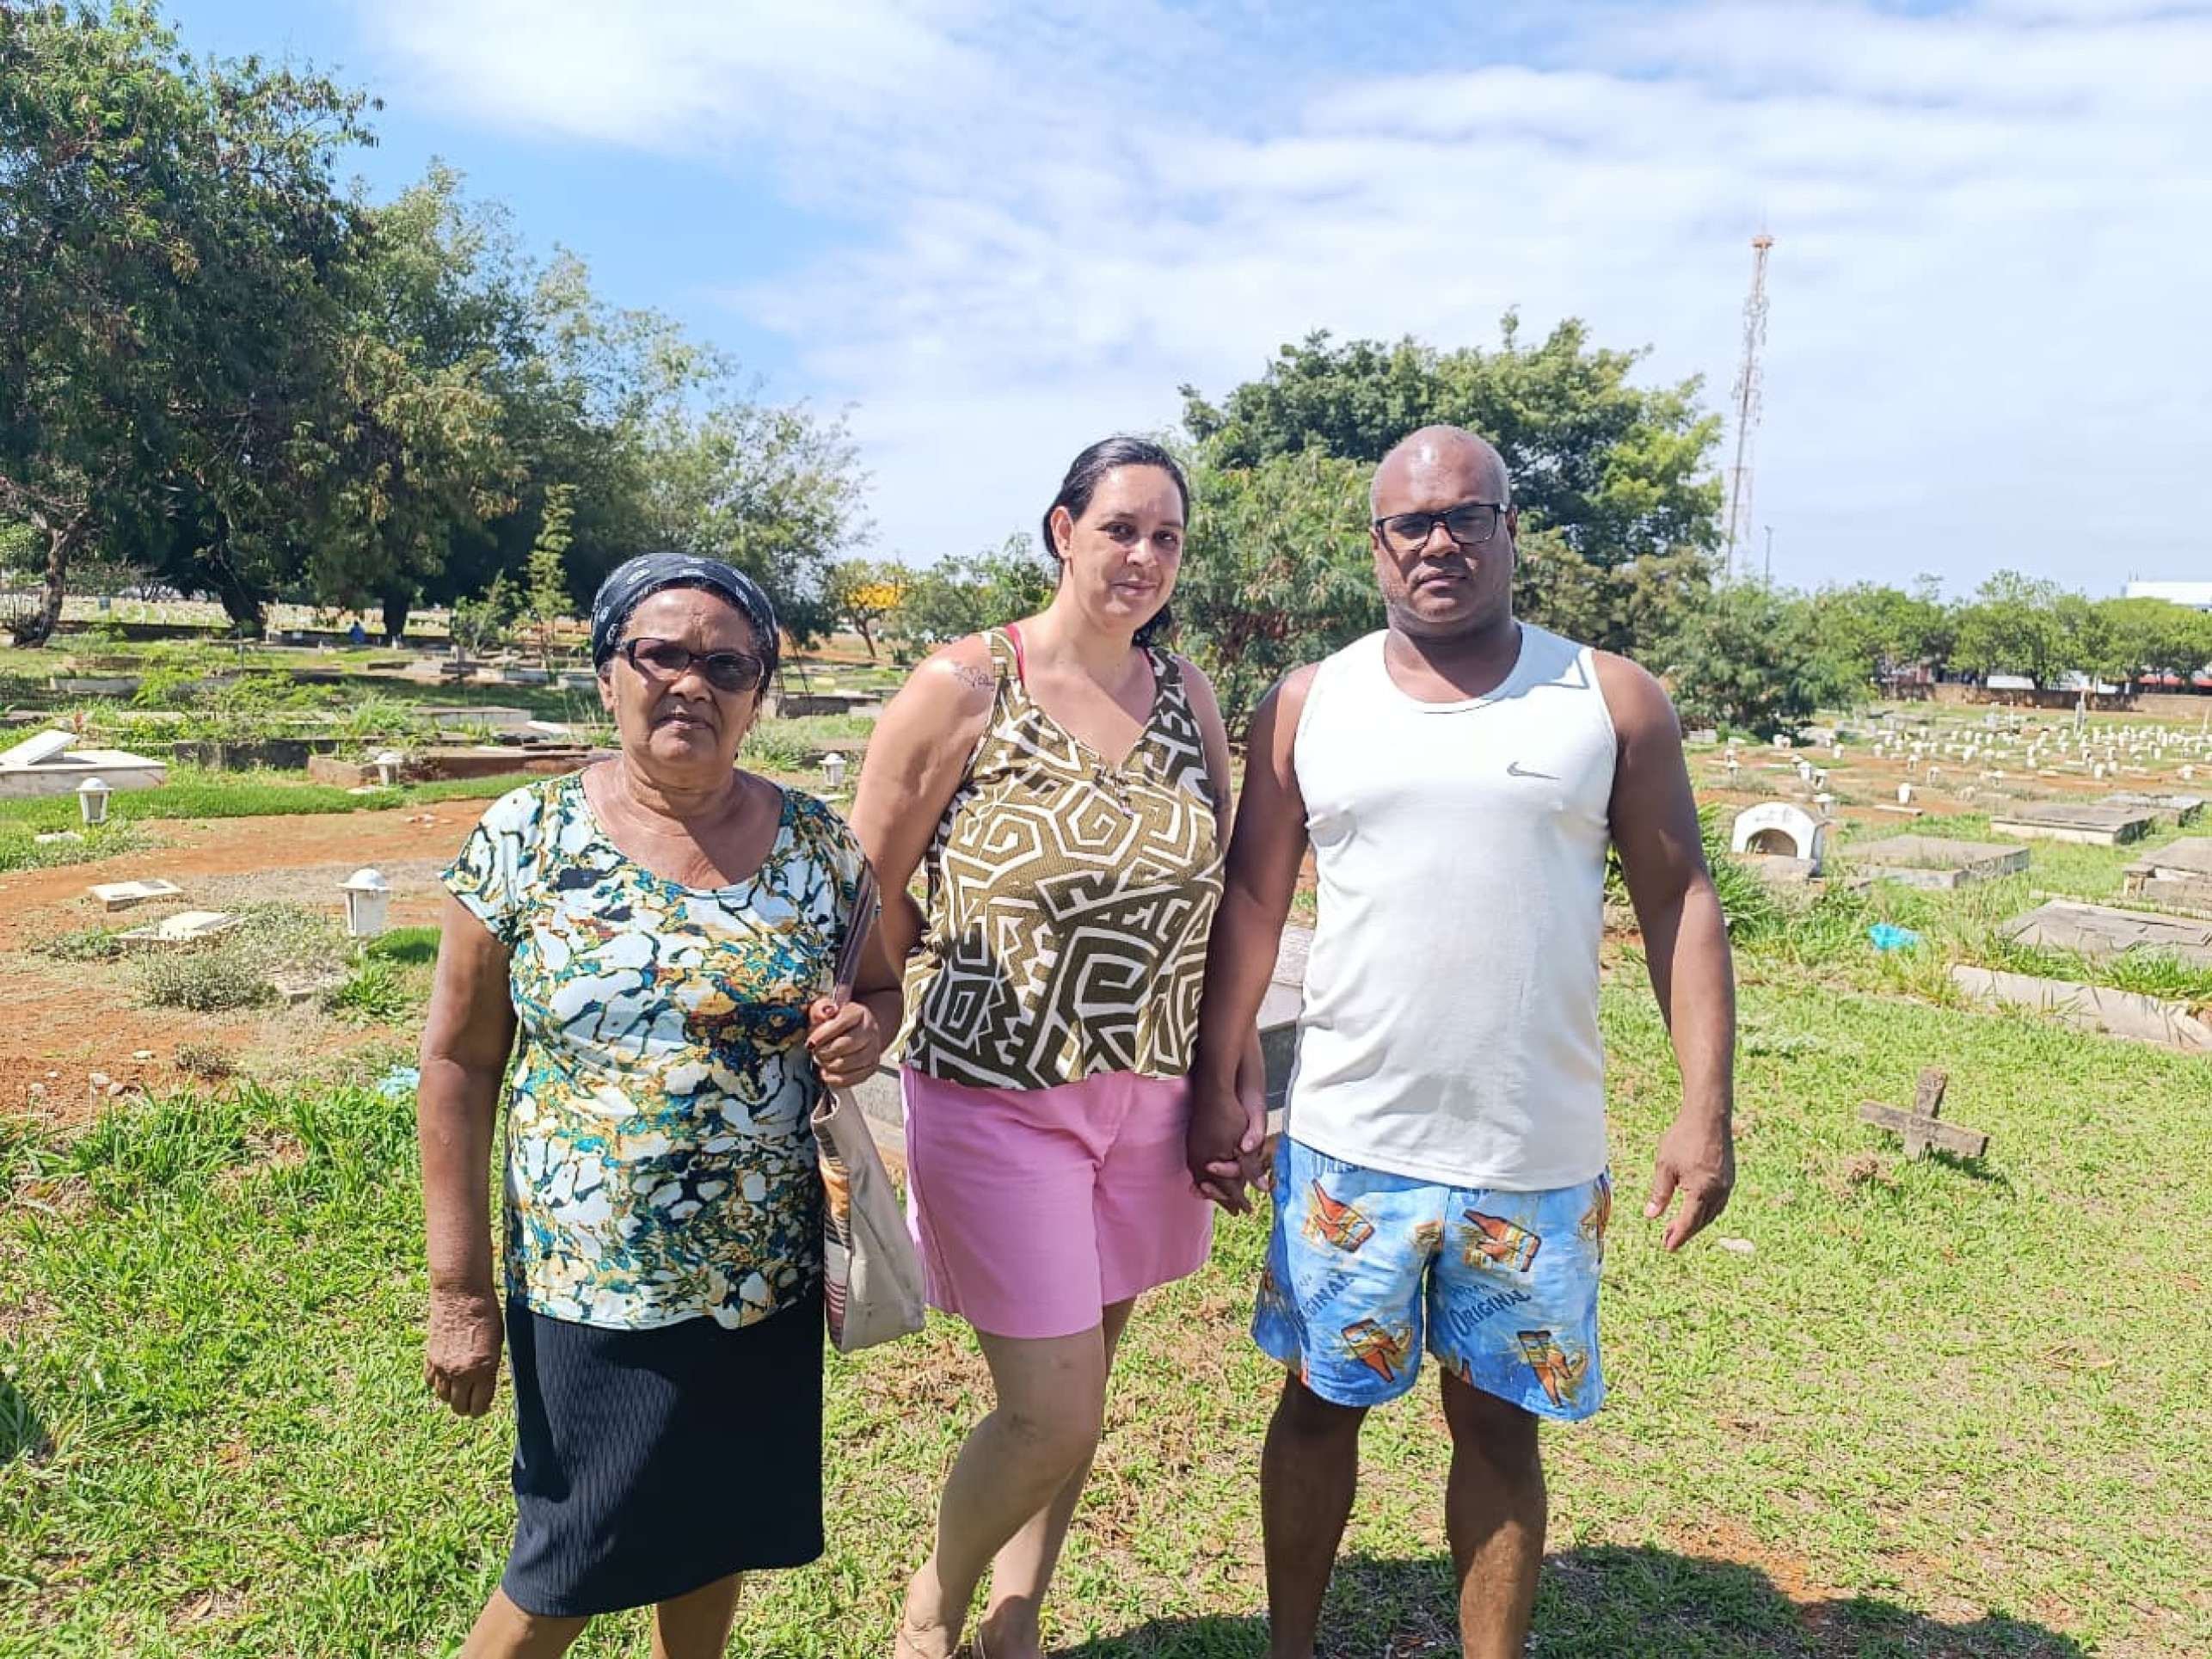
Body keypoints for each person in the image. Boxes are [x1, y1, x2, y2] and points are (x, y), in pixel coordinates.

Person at [1188, 427, 1737, 1659]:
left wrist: (1707, 1108)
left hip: (1529, 1151)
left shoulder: (1605, 696)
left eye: (1465, 517)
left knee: (1498, 1430)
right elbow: (1254, 899)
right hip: (1348, 1140)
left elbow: (1681, 900)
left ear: (1507, 532)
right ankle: (1291, 1648)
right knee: (1320, 1405)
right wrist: (1223, 1073)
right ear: (1376, 545)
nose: (1438, 542)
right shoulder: (1310, 702)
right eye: (1410, 524)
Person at [416, 552, 902, 1659]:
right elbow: (455, 1062)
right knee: (570, 1558)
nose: (692, 683)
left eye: (725, 664)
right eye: (662, 654)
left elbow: (877, 988)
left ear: (757, 696)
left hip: (761, 1273)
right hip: (594, 1276)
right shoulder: (525, 838)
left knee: (717, 1528)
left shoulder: (817, 843)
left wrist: (864, 1032)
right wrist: (459, 1290)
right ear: (608, 676)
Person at [850, 436, 1258, 1659]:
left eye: (1167, 537)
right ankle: (938, 1603)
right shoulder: (967, 683)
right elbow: (871, 885)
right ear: (1061, 529)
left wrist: (1227, 1080)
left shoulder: (1186, 695)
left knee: (1086, 1392)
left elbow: (1229, 891)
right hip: (999, 1093)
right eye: (1121, 527)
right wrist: (864, 1009)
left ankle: (1018, 1620)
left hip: (1148, 1096)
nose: (1143, 556)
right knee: (1050, 1414)